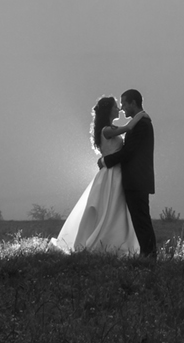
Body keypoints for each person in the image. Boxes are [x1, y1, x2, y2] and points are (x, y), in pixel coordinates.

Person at [52, 96, 145, 255]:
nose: (119, 109)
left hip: (114, 171)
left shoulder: (109, 128)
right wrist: (141, 115)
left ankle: (113, 241)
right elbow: (128, 127)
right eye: (116, 107)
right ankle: (104, 242)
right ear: (109, 111)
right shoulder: (107, 130)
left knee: (114, 210)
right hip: (111, 174)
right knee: (110, 209)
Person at [99, 89, 156, 258]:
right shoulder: (139, 122)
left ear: (133, 103)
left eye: (124, 103)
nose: (122, 108)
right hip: (135, 179)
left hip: (137, 179)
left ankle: (149, 255)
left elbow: (129, 152)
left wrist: (105, 161)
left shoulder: (141, 124)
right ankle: (147, 253)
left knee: (141, 219)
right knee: (139, 219)